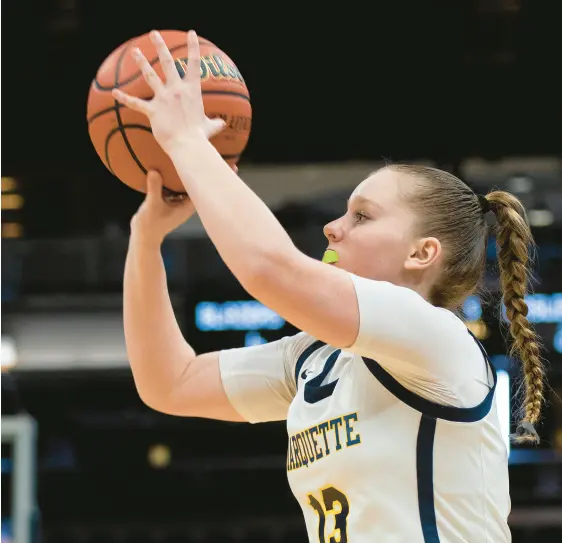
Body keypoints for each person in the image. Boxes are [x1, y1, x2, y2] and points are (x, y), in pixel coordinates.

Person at [114, 31, 546, 542]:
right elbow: (170, 381)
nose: (332, 228)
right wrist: (145, 239)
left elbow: (269, 270)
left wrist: (188, 142)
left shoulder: (436, 340)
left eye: (362, 216)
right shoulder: (314, 361)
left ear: (421, 253)